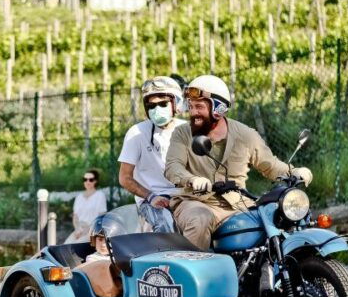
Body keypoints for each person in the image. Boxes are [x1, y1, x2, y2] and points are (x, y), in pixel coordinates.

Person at [165, 75, 313, 250]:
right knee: (200, 219)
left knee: (278, 216)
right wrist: (192, 180)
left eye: (199, 107)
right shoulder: (182, 133)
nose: (193, 112)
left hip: (238, 203)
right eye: (190, 106)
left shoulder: (245, 135)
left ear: (218, 109)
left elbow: (270, 166)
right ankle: (194, 275)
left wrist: (296, 172)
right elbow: (172, 167)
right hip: (195, 202)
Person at [118, 76, 186, 233]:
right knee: (166, 226)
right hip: (152, 200)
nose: (157, 110)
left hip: (185, 197)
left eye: (163, 104)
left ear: (176, 103)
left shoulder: (188, 130)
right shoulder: (137, 133)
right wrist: (151, 197)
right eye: (151, 106)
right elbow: (125, 177)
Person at [64, 169, 107, 244]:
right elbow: (75, 217)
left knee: (76, 246)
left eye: (91, 180)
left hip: (93, 230)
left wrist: (89, 229)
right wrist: (77, 229)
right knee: (65, 246)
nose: (88, 182)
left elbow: (101, 217)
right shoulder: (79, 197)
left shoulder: (100, 195)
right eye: (85, 179)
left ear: (95, 181)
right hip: (79, 230)